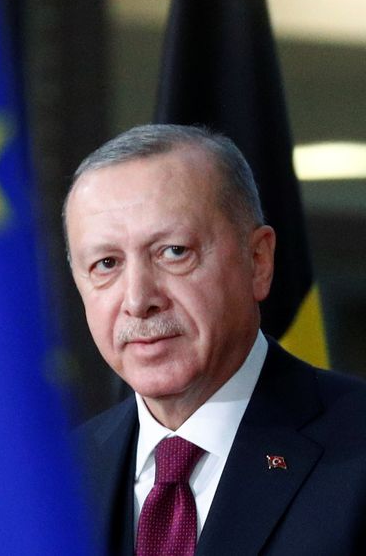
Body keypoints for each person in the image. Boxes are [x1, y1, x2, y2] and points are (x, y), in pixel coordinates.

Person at [64, 124, 366, 555]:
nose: (137, 299)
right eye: (106, 263)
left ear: (258, 261)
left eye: (174, 252)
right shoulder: (55, 478)